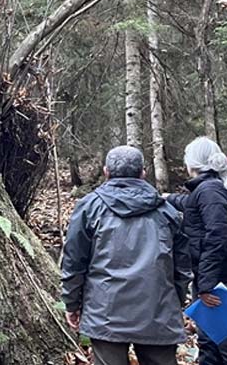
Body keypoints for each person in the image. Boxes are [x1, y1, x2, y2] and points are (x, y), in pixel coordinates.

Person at [61, 146, 190, 365]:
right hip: (157, 310)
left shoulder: (89, 207)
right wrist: (174, 303)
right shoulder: (167, 211)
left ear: (106, 172)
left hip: (105, 312)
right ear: (143, 172)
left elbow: (74, 262)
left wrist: (72, 303)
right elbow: (181, 267)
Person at [167, 137, 227, 365]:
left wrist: (205, 285)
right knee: (208, 343)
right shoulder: (207, 190)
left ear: (192, 162)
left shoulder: (209, 191)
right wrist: (167, 199)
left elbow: (216, 238)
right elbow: (192, 205)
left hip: (219, 280)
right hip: (213, 277)